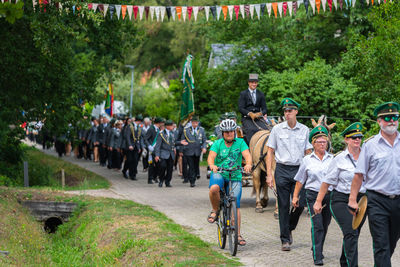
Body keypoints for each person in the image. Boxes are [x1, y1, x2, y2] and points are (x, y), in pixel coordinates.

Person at [348, 102, 400, 267]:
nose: (391, 121)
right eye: (386, 118)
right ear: (379, 121)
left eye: (394, 117)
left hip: (399, 201)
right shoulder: (370, 145)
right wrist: (352, 199)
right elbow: (358, 175)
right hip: (377, 201)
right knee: (381, 244)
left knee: (391, 242)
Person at [313, 122, 366, 267]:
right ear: (346, 139)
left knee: (353, 234)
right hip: (341, 200)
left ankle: (344, 262)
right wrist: (318, 202)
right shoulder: (339, 158)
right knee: (351, 232)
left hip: (362, 201)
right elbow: (326, 182)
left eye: (359, 137)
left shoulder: (367, 157)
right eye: (353, 137)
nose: (357, 140)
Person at [266, 97, 313, 251]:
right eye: (285, 111)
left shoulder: (305, 130)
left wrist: (309, 172)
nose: (287, 113)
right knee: (284, 205)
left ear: (296, 112)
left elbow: (308, 152)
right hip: (282, 169)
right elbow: (270, 151)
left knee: (299, 203)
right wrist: (269, 174)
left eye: (290, 111)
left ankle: (290, 227)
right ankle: (285, 239)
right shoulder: (277, 129)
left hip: (299, 170)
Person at [207, 119, 252, 246]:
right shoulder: (217, 143)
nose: (229, 134)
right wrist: (212, 166)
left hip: (235, 175)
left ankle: (237, 235)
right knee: (214, 188)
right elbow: (211, 157)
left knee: (235, 204)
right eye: (226, 132)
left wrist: (248, 164)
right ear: (222, 133)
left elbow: (247, 155)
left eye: (231, 131)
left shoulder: (241, 142)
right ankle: (215, 210)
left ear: (234, 132)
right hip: (219, 173)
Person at [292, 126, 333, 266]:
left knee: (325, 224)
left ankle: (317, 244)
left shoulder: (333, 159)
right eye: (319, 142)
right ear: (313, 144)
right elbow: (300, 180)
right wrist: (295, 196)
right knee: (317, 225)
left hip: (329, 196)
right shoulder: (307, 160)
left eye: (324, 141)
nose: (323, 144)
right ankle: (317, 255)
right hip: (312, 195)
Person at [238, 73, 268, 144]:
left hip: (258, 118)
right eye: (252, 82)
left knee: (266, 130)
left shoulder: (260, 94)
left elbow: (265, 109)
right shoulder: (243, 94)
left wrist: (260, 113)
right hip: (247, 119)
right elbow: (240, 108)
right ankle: (251, 150)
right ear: (249, 83)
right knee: (252, 130)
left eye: (255, 82)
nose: (254, 84)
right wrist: (249, 113)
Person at [180, 116, 207, 187]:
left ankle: (194, 177)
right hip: (189, 150)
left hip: (197, 151)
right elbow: (182, 140)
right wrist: (182, 149)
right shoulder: (186, 130)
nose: (195, 124)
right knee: (191, 166)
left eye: (196, 123)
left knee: (195, 166)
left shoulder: (201, 130)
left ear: (198, 123)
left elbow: (204, 140)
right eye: (193, 123)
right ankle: (192, 181)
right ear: (191, 123)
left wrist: (204, 147)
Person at [154, 120, 179, 187]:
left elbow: (174, 142)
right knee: (163, 166)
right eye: (171, 125)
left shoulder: (174, 133)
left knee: (170, 169)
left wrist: (180, 143)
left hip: (171, 153)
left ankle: (168, 182)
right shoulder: (161, 134)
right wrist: (157, 155)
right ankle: (161, 180)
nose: (173, 126)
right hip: (163, 153)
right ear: (167, 126)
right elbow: (158, 145)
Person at [145, 117, 164, 184]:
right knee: (151, 164)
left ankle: (155, 177)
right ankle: (150, 179)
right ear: (159, 123)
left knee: (158, 164)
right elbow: (146, 138)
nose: (162, 124)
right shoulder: (151, 129)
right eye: (162, 122)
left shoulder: (158, 129)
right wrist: (149, 146)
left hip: (157, 149)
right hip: (152, 149)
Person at [125, 115, 145, 181]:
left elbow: (138, 138)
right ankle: (125, 170)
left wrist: (139, 147)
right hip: (130, 146)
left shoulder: (138, 128)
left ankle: (133, 175)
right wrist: (129, 145)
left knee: (135, 161)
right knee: (129, 160)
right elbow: (127, 136)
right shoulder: (129, 126)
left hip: (136, 146)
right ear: (138, 121)